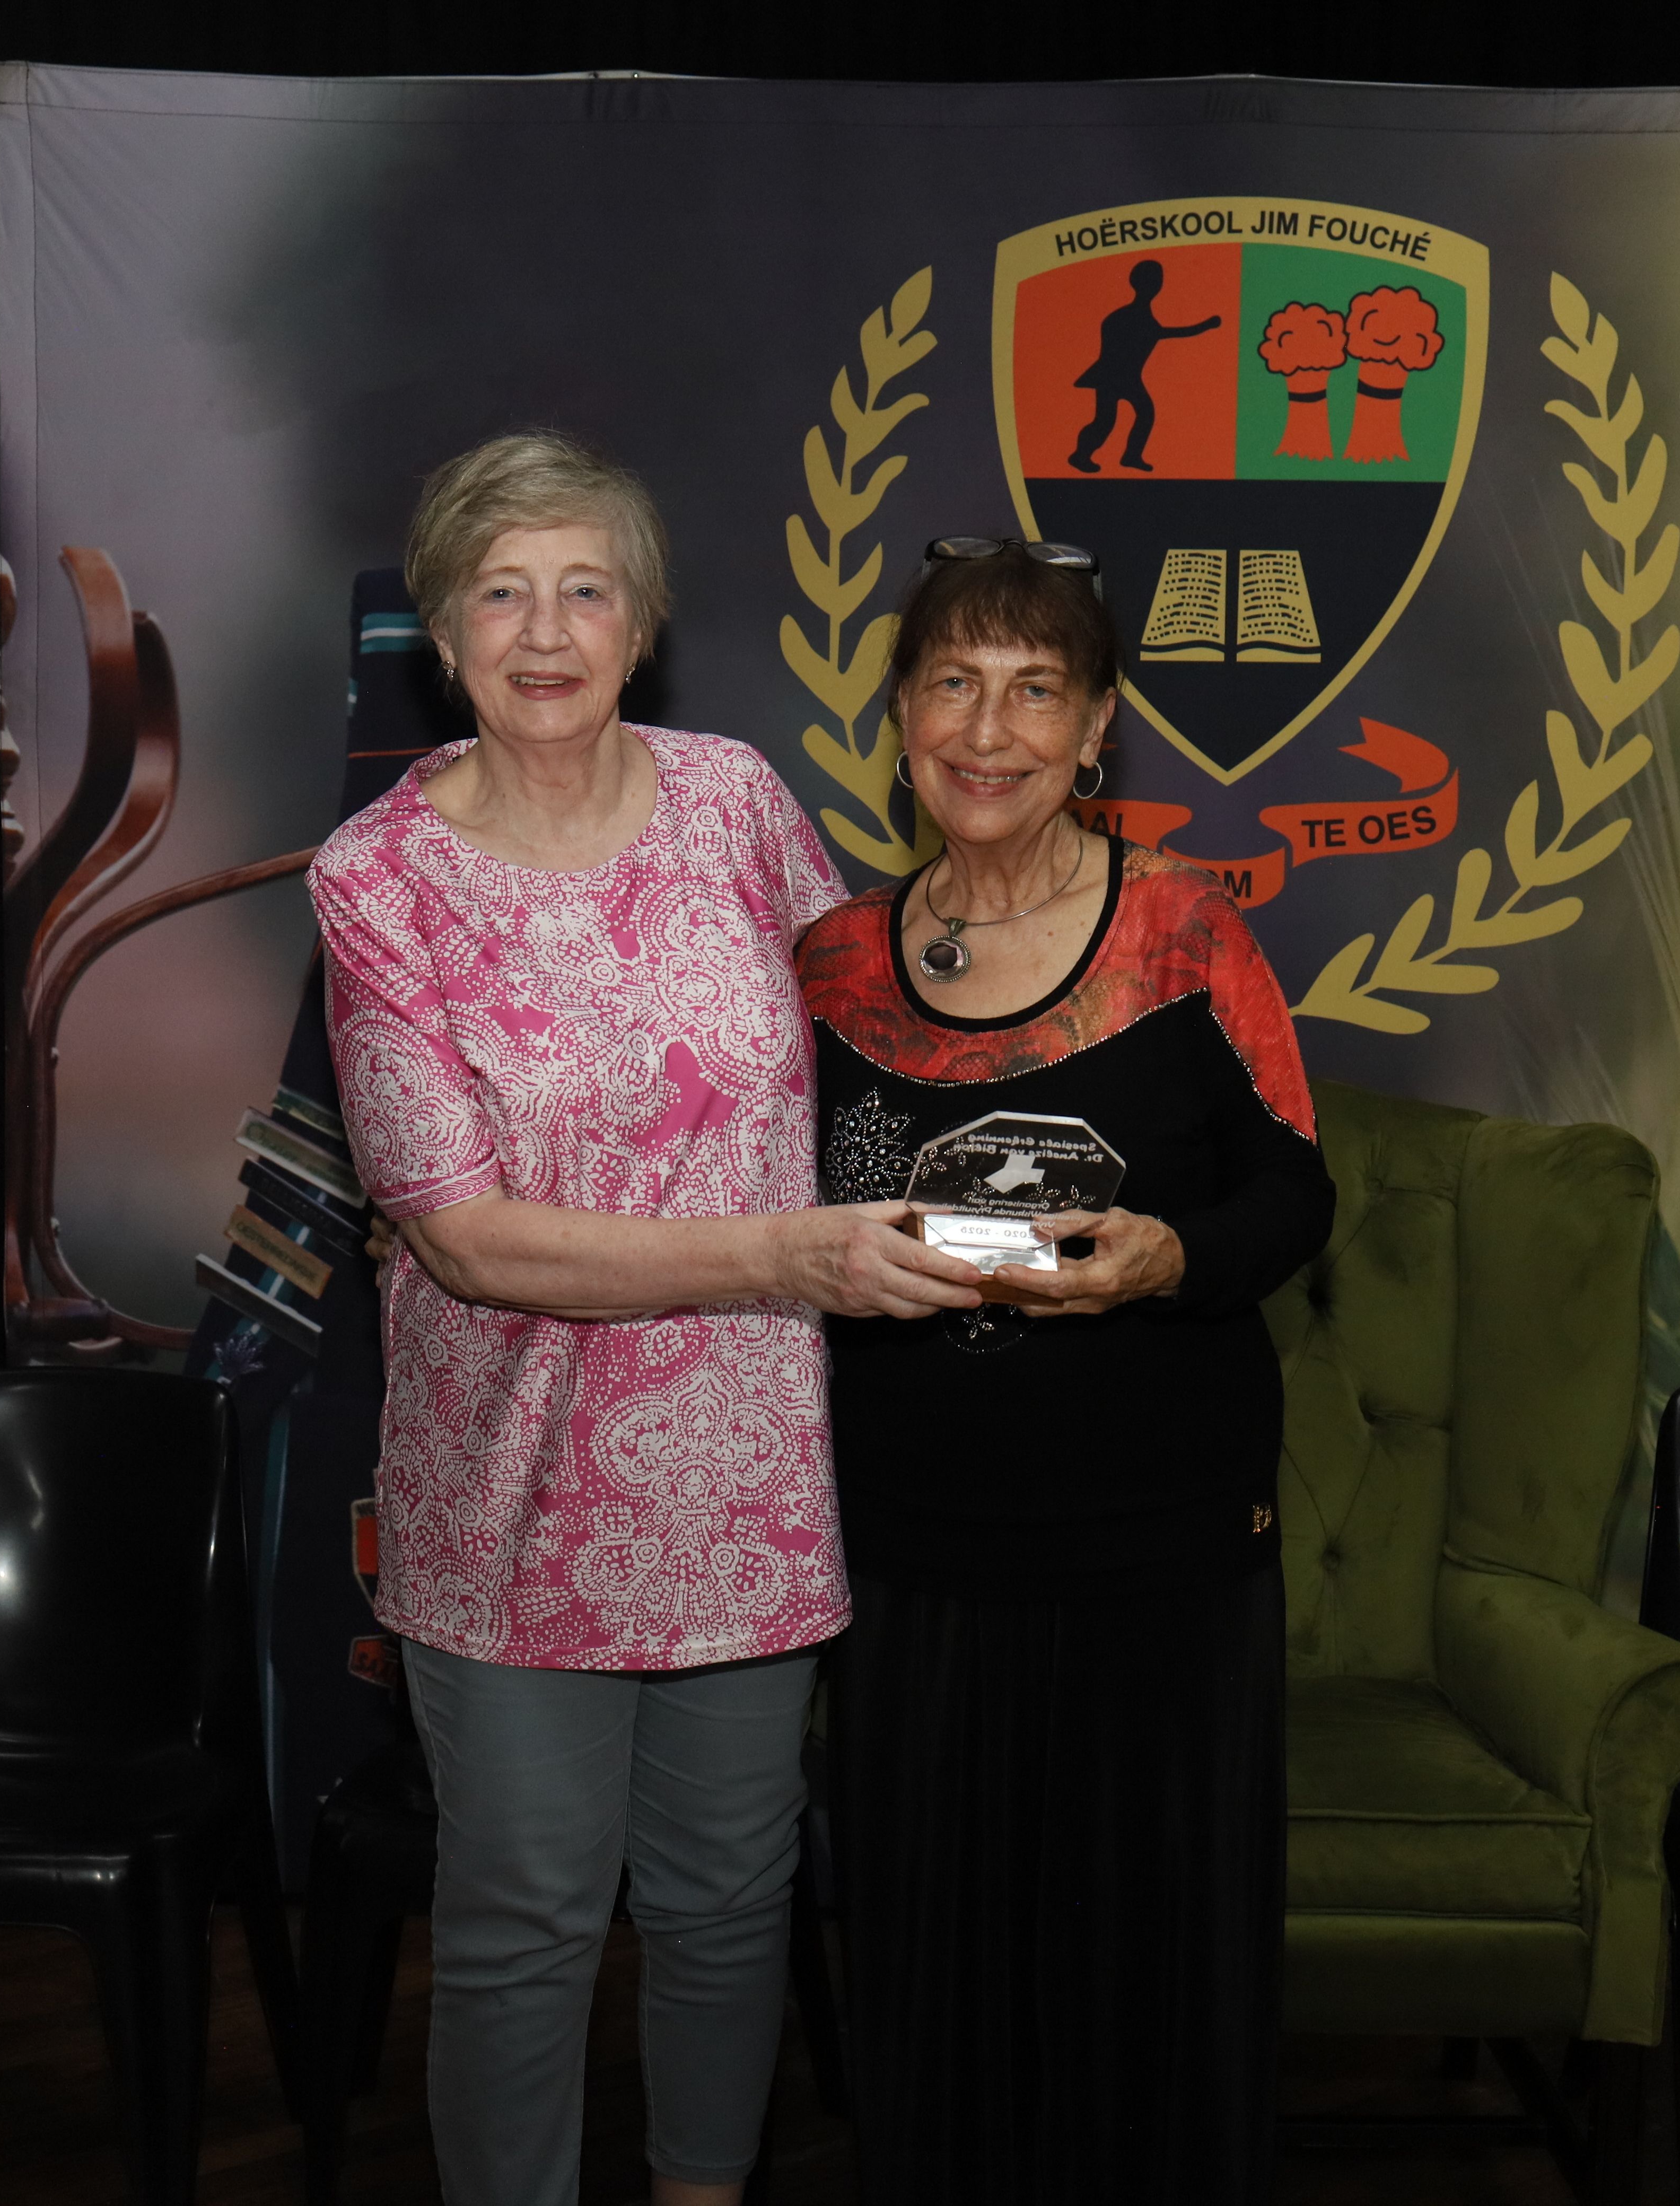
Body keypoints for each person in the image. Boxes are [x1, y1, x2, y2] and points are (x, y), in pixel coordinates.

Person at [308, 432, 985, 2206]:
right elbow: (463, 1238)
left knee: (727, 1900)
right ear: (442, 635)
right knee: (527, 1917)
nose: (546, 632)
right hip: (511, 1494)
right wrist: (787, 1260)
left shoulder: (735, 799)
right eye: (502, 593)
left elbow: (882, 1041)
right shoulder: (377, 881)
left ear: (644, 621)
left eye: (586, 589)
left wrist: (1063, 951)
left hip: (749, 1482)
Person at [795, 535, 1336, 2203]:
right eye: (952, 683)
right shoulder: (825, 964)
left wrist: (1172, 1259)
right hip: (910, 1557)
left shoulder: (1189, 934)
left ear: (1098, 728)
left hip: (1158, 1555)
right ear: (898, 715)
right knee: (930, 1974)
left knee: (1148, 1973)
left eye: (1036, 691)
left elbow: (1296, 1196)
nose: (989, 728)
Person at [1068, 257, 1224, 474]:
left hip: (1128, 378)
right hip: (1112, 378)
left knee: (1144, 414)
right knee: (1106, 421)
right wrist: (1205, 326)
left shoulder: (1133, 318)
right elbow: (1169, 333)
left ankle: (1131, 456)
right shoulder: (1126, 318)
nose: (1157, 285)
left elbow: (1168, 333)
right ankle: (1081, 456)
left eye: (1158, 280)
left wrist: (1205, 326)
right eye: (1154, 280)